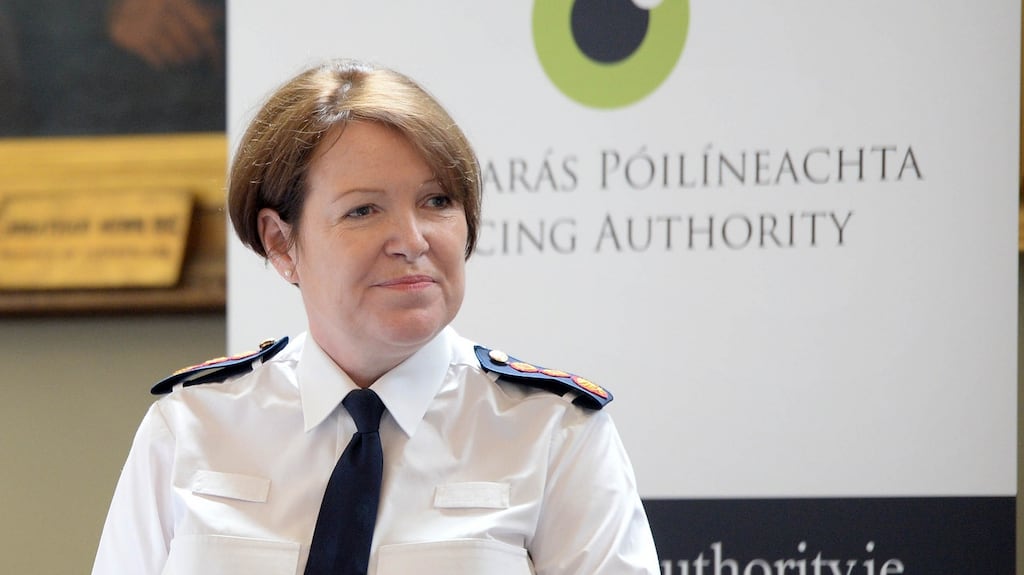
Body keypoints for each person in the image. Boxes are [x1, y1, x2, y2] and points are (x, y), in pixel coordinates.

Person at [92, 59, 660, 575]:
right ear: (282, 243)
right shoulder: (192, 424)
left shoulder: (553, 432)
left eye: (438, 201)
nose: (412, 241)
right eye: (364, 210)